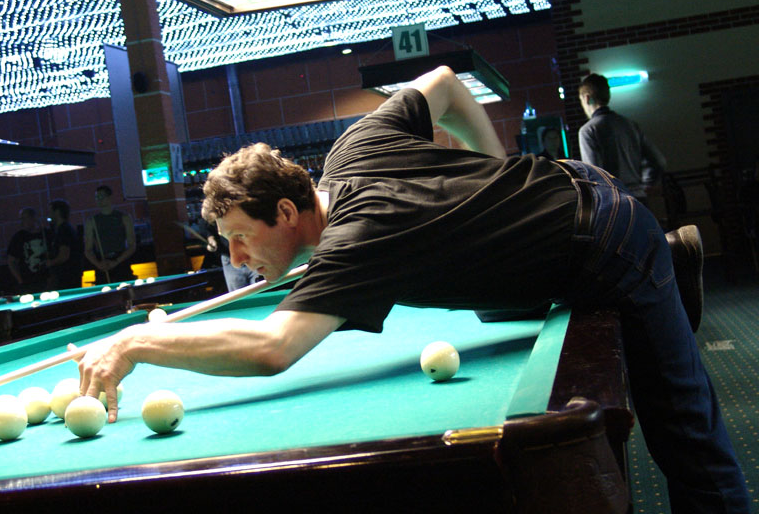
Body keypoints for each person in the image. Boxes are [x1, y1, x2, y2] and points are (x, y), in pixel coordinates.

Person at [77, 67, 749, 513]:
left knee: (683, 430)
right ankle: (669, 262)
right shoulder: (350, 149)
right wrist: (496, 173)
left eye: (241, 237)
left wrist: (139, 342)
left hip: (606, 240)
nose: (238, 257)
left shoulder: (353, 244)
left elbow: (272, 348)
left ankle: (662, 264)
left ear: (285, 212)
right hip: (570, 188)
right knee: (489, 301)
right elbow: (449, 86)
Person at [578, 73, 667, 204]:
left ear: (586, 98)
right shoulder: (629, 124)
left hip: (614, 202)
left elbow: (594, 174)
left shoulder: (588, 131)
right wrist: (647, 184)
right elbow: (659, 160)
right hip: (639, 199)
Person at [83, 186, 136, 285]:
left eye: (101, 196)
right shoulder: (91, 221)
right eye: (97, 197)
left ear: (110, 197)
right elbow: (88, 250)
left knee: (126, 290)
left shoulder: (124, 217)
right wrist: (98, 264)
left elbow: (132, 246)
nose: (99, 199)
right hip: (102, 262)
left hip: (121, 262)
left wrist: (116, 261)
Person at [6, 207, 48, 294]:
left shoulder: (47, 234)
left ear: (33, 218)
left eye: (24, 218)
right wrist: (20, 280)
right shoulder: (19, 237)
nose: (22, 222)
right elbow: (11, 261)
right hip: (28, 283)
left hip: (47, 280)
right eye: (21, 219)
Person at [46, 199, 83, 290]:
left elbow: (64, 256)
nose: (49, 215)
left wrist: (50, 263)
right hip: (69, 276)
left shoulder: (63, 230)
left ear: (57, 212)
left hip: (66, 277)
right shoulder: (65, 228)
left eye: (50, 211)